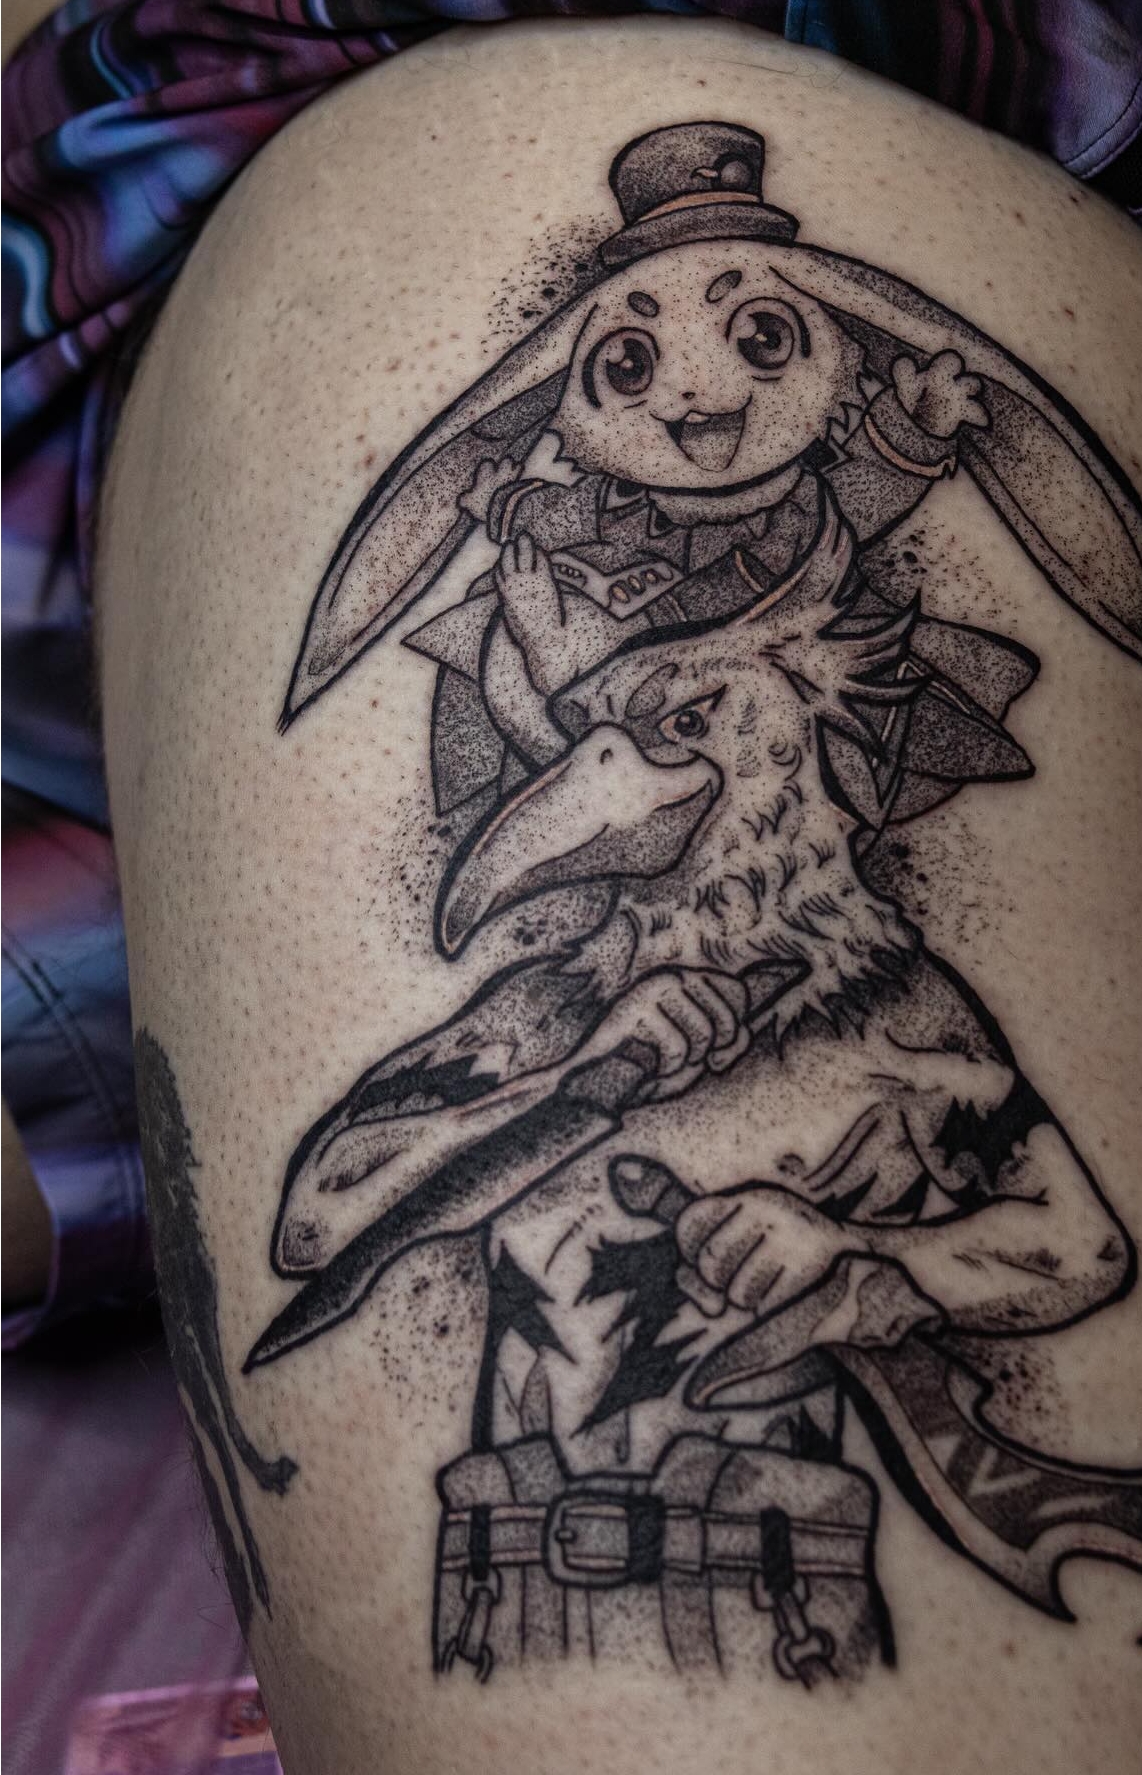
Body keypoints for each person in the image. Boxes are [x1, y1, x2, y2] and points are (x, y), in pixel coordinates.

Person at [4, 5, 1141, 1772]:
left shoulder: (904, 1009)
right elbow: (321, 1220)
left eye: (757, 342)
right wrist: (551, 1066)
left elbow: (1072, 1248)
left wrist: (858, 1265)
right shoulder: (542, 973)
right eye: (630, 365)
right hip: (539, 1549)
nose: (698, 398)